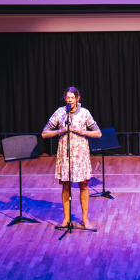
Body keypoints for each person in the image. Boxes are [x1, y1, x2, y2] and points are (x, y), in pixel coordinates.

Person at [42, 87, 102, 228]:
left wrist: (81, 131)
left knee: (84, 185)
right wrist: (60, 130)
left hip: (81, 157)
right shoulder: (60, 113)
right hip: (66, 156)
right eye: (67, 97)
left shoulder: (84, 113)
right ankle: (66, 219)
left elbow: (98, 133)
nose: (69, 100)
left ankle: (85, 219)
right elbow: (44, 133)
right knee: (66, 187)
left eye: (72, 97)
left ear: (77, 98)